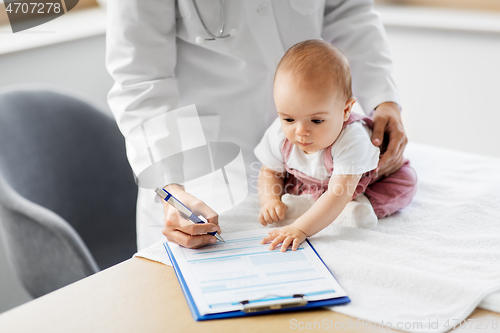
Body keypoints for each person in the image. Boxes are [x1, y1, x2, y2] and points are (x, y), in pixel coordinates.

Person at [106, 0, 408, 250]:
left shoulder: (347, 138)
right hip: (198, 168)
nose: (299, 131)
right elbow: (140, 81)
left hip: (311, 166)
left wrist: (384, 100)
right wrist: (171, 189)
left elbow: (348, 10)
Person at [254, 40, 417, 252]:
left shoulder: (352, 138)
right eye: (288, 119)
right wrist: (270, 200)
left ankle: (360, 205)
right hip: (318, 183)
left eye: (317, 121)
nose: (301, 131)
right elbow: (269, 170)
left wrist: (300, 229)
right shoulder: (279, 132)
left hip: (364, 182)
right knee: (287, 180)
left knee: (406, 182)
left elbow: (338, 194)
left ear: (346, 110)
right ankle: (307, 204)